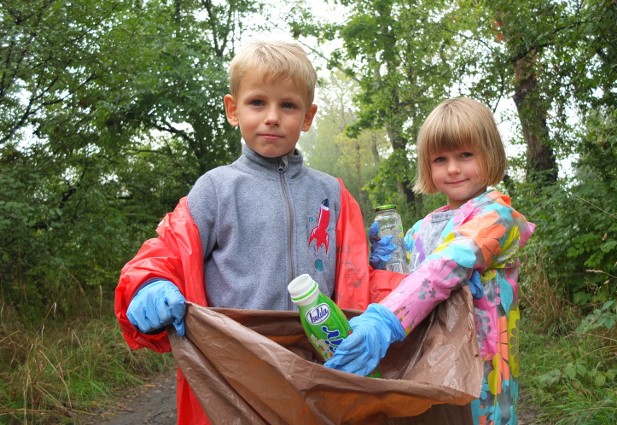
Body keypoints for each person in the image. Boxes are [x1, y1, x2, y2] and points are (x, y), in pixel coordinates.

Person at [114, 40, 403, 425]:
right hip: (235, 370)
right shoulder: (215, 189)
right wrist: (147, 284)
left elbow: (352, 279)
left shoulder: (332, 193)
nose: (272, 117)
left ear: (308, 116)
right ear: (233, 109)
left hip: (319, 367)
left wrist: (384, 273)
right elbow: (168, 250)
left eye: (287, 105)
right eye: (257, 103)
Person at [325, 97, 535, 424]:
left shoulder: (497, 216)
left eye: (465, 155)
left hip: (485, 366)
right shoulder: (423, 227)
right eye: (440, 159)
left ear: (489, 154)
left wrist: (385, 321)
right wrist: (378, 260)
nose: (452, 168)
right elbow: (402, 280)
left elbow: (446, 266)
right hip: (435, 360)